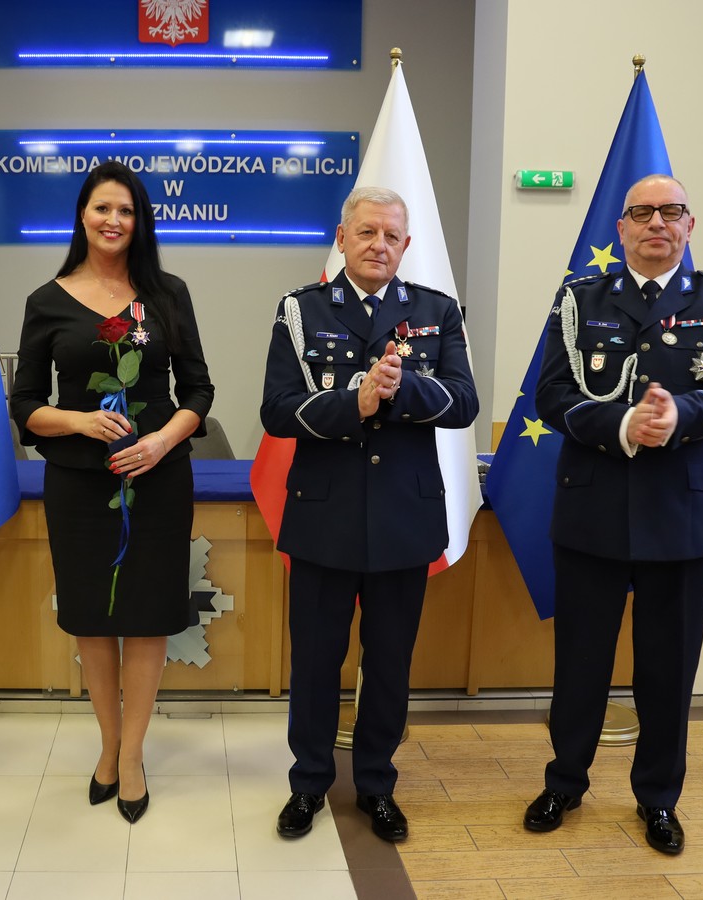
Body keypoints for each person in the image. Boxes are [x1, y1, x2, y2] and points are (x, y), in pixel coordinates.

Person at [525, 175, 703, 854]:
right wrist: (623, 425)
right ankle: (564, 782)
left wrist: (681, 414)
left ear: (689, 225)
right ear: (621, 228)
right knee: (580, 663)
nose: (657, 222)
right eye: (642, 213)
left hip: (682, 512)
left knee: (669, 667)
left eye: (671, 211)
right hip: (593, 506)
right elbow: (551, 394)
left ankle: (658, 798)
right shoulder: (579, 300)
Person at [260, 186, 479, 841]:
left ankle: (377, 785)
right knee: (315, 662)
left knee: (388, 663)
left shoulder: (436, 312)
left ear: (406, 245)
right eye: (366, 232)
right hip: (323, 518)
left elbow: (464, 402)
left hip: (403, 520)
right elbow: (276, 410)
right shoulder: (300, 309)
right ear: (342, 237)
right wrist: (353, 404)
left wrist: (401, 390)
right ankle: (308, 783)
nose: (379, 245)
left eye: (391, 235)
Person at [10, 161, 214, 824]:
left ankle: (132, 756)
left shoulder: (168, 294)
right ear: (83, 215)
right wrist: (78, 421)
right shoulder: (47, 300)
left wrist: (161, 442)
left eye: (126, 210)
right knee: (92, 617)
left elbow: (199, 392)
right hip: (77, 484)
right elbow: (25, 404)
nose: (114, 220)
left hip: (157, 481)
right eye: (103, 208)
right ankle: (107, 743)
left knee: (148, 615)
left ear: (140, 220)